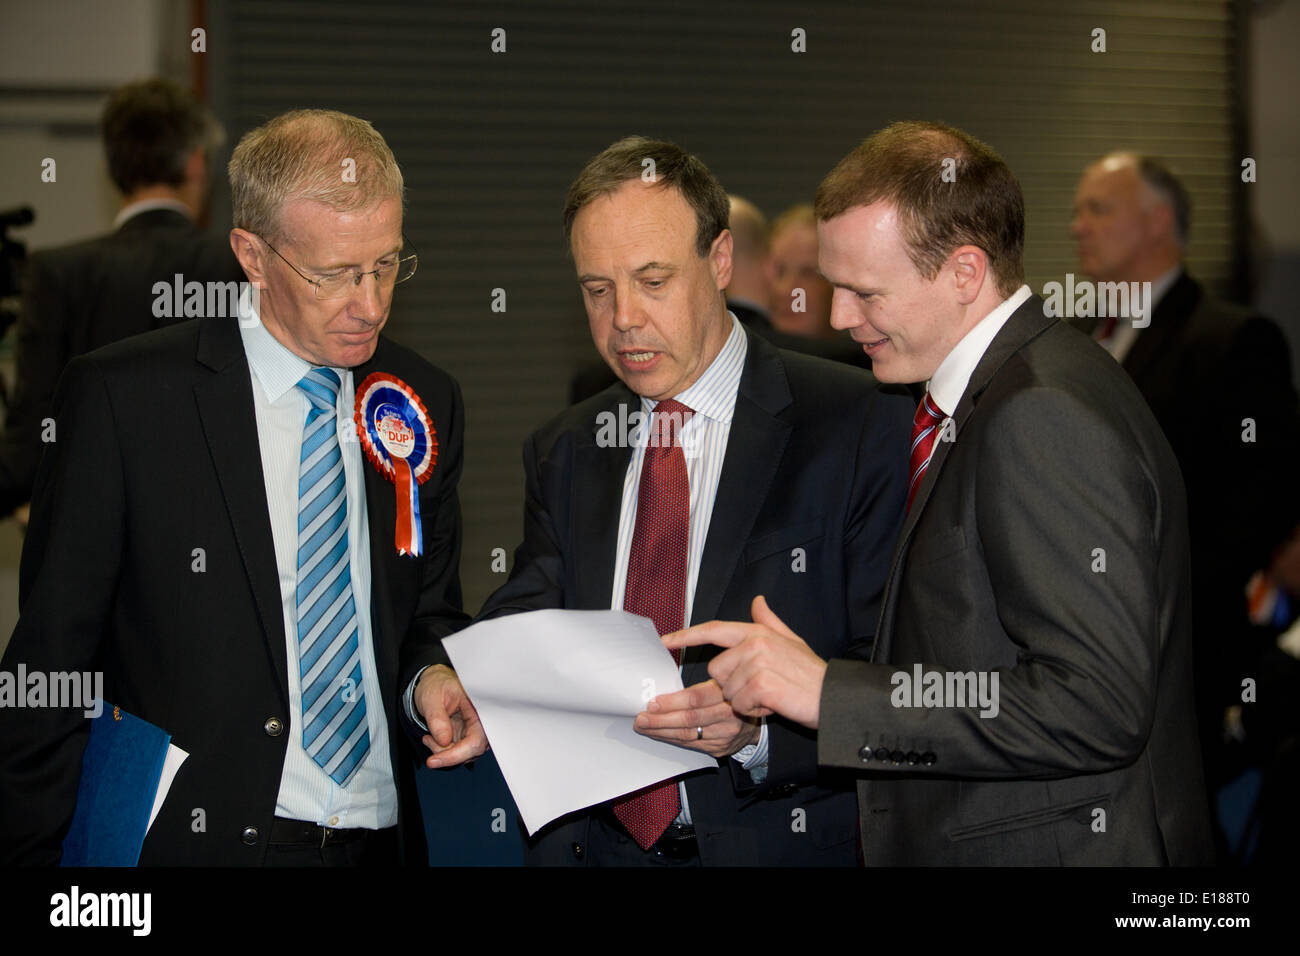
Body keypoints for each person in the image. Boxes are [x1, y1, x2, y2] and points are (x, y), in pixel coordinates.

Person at [667, 121, 1214, 865]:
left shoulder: (1039, 413)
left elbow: (1097, 706)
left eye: (864, 292)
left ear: (964, 272)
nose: (838, 318)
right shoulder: (1013, 387)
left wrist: (833, 695)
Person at [0, 109, 482, 866]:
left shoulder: (423, 399)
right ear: (252, 256)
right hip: (193, 844)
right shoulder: (127, 400)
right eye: (332, 274)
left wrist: (431, 676)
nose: (370, 303)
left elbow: (426, 609)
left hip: (380, 842)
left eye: (387, 264)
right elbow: (52, 661)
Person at [450, 135, 912, 865]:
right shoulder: (568, 445)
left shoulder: (855, 423)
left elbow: (894, 668)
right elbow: (535, 606)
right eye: (596, 290)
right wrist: (468, 678)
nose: (624, 317)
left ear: (721, 260)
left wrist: (764, 735)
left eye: (653, 280)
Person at [1071, 153, 1300, 839]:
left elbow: (1254, 506)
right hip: (1085, 651)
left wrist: (1138, 595)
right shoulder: (1081, 341)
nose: (1078, 225)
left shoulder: (1231, 340)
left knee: (1175, 838)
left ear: (1158, 221)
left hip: (1182, 651)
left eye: (1098, 209)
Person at [0, 77, 244, 518]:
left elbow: (29, 447)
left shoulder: (57, 272)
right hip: (210, 534)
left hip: (95, 541)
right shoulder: (239, 267)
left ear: (115, 167)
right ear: (194, 163)